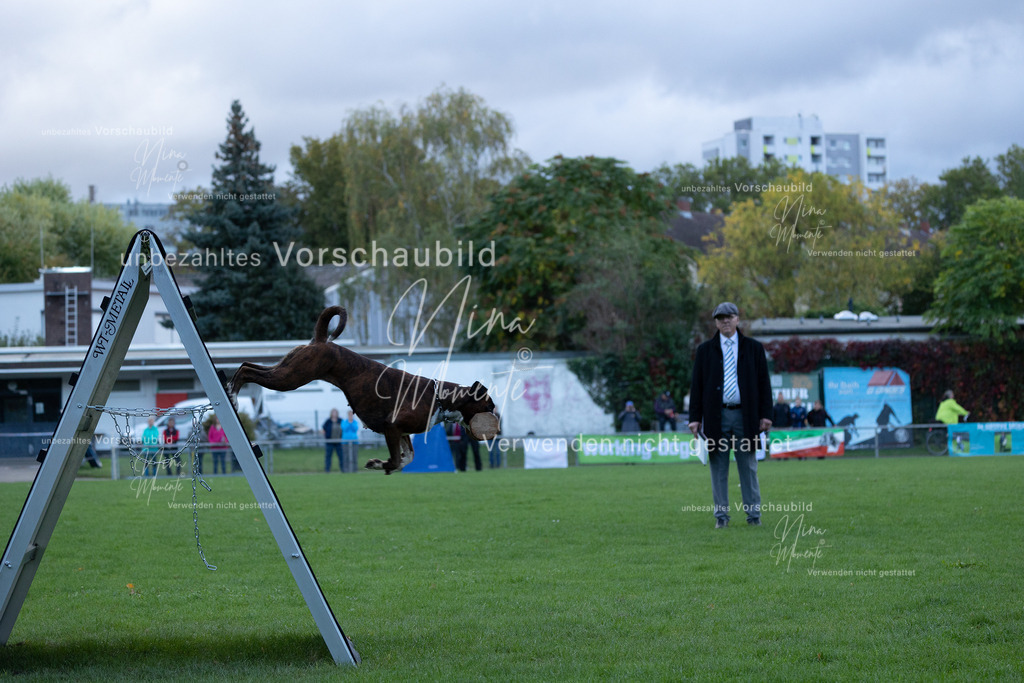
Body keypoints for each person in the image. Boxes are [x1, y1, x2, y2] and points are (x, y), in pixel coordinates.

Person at [688, 302, 772, 528]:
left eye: (730, 316)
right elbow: (697, 386)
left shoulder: (754, 348)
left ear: (737, 319)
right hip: (716, 416)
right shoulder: (705, 351)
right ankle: (721, 517)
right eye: (720, 317)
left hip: (746, 416)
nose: (725, 320)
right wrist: (694, 418)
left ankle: (754, 516)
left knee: (749, 468)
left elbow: (764, 384)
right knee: (718, 469)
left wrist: (766, 415)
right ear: (716, 322)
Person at [322, 408, 343, 472]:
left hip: (338, 442)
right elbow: (323, 429)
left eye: (335, 412)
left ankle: (343, 469)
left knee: (341, 456)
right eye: (333, 412)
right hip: (330, 442)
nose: (334, 414)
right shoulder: (328, 421)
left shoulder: (340, 420)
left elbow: (344, 428)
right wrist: (326, 436)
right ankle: (327, 470)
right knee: (328, 456)